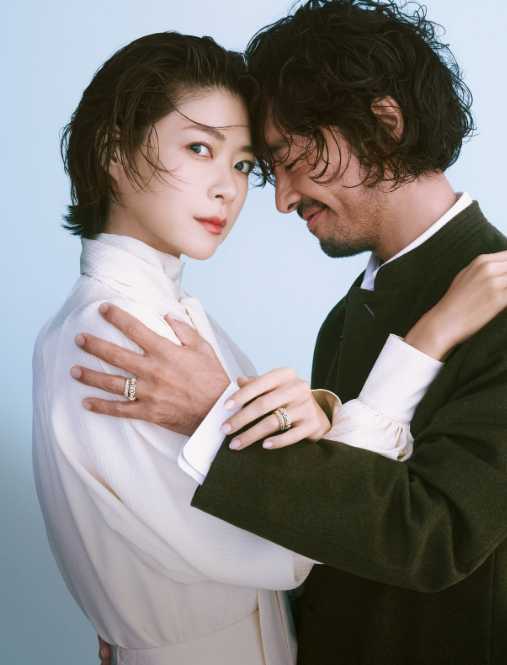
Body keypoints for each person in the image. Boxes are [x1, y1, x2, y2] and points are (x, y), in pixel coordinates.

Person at [32, 28, 490, 665]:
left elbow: (418, 534)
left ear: (384, 127)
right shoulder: (118, 334)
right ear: (114, 152)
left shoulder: (167, 323)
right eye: (200, 148)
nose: (249, 194)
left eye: (245, 164)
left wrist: (312, 412)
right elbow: (291, 543)